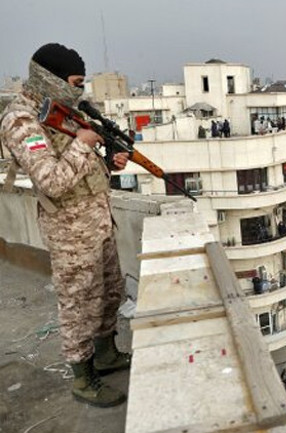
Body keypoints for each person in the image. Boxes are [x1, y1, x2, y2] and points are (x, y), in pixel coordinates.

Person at [0, 43, 131, 408]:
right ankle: (83, 378)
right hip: (70, 231)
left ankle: (106, 356)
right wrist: (83, 146)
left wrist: (109, 162)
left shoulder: (62, 110)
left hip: (99, 220)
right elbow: (51, 181)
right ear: (51, 78)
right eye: (75, 82)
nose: (79, 91)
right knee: (79, 306)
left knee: (109, 293)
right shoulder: (21, 119)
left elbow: (82, 164)